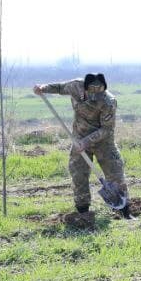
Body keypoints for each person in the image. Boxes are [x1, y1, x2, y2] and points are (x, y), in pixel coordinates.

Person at [32, 73, 131, 218]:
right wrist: (43, 88)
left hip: (103, 142)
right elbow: (60, 87)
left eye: (100, 93)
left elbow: (106, 129)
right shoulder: (75, 86)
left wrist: (86, 142)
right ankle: (83, 213)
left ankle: (124, 211)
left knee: (115, 174)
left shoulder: (108, 101)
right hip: (79, 137)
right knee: (78, 175)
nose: (96, 97)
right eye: (92, 93)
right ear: (85, 89)